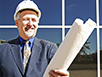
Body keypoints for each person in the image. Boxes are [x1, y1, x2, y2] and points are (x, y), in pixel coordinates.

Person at [0, 0, 69, 77]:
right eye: (26, 19)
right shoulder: (2, 50)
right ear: (17, 23)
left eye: (34, 20)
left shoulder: (49, 48)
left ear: (37, 23)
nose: (30, 24)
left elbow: (59, 72)